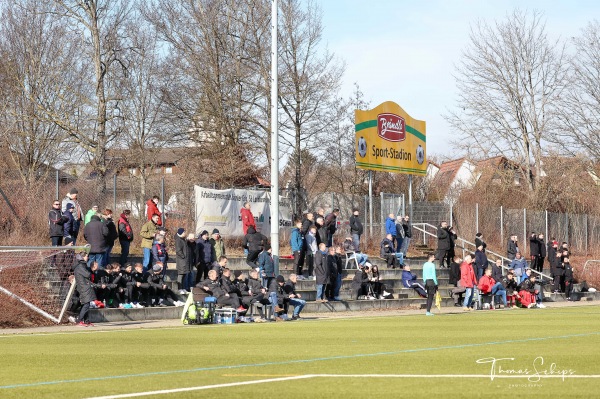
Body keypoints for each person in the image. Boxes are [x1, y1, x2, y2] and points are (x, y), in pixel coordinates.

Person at [72, 251, 96, 326]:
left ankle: (86, 320)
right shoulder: (80, 266)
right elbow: (87, 274)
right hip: (83, 287)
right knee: (86, 304)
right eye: (86, 256)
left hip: (84, 286)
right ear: (82, 257)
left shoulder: (81, 265)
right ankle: (79, 320)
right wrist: (89, 271)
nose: (87, 257)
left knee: (86, 303)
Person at [175, 229, 192, 294]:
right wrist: (183, 257)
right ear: (181, 233)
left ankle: (183, 288)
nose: (185, 233)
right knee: (181, 274)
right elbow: (178, 250)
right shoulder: (178, 240)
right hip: (181, 261)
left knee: (184, 275)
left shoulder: (183, 240)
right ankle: (179, 288)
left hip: (185, 261)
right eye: (184, 232)